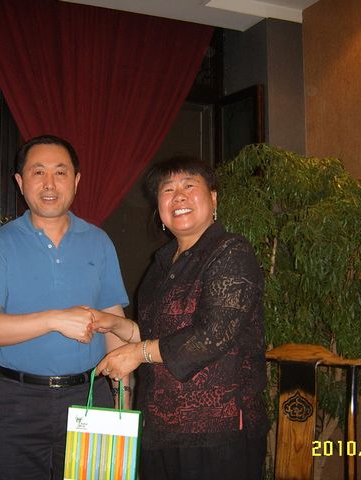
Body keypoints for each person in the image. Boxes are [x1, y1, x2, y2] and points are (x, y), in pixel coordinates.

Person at [91, 156, 269, 480]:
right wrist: (117, 325)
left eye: (189, 185)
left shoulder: (230, 251)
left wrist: (137, 352)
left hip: (217, 431)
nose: (179, 196)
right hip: (159, 427)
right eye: (168, 189)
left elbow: (213, 335)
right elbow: (160, 335)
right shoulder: (160, 265)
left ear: (213, 198)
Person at [0, 134, 129, 480]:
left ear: (77, 180)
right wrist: (55, 319)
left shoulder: (99, 242)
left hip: (91, 397)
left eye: (60, 172)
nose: (50, 183)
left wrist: (123, 400)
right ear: (20, 181)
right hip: (17, 404)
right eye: (38, 172)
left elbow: (114, 323)